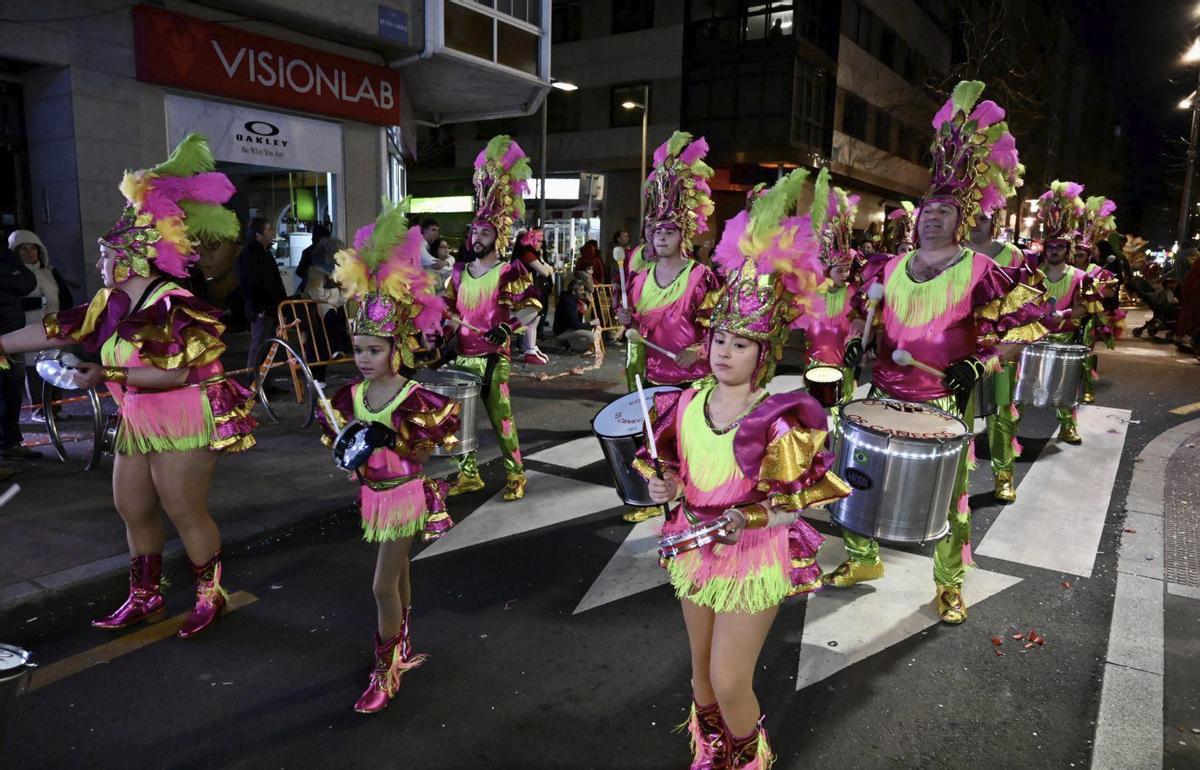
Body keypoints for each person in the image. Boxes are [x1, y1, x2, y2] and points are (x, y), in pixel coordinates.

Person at [0, 134, 255, 637]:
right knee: (131, 506)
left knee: (184, 509)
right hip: (138, 415)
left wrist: (106, 374)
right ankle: (145, 596)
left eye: (105, 254)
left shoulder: (172, 302)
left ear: (132, 257)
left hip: (184, 412)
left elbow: (175, 373)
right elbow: (57, 328)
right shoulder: (108, 302)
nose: (100, 262)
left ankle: (210, 594)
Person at [639, 168, 849, 769]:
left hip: (752, 551)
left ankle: (751, 760)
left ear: (765, 353)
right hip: (691, 540)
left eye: (740, 344)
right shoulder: (681, 401)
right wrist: (667, 484)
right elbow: (674, 469)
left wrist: (750, 513)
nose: (724, 352)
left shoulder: (776, 417)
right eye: (719, 340)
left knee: (732, 680)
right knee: (702, 675)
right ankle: (711, 748)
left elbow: (798, 499)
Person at [829, 81, 1044, 624]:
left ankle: (949, 583)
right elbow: (860, 313)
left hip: (942, 398)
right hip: (883, 392)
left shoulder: (984, 273)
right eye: (927, 209)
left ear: (963, 217)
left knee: (951, 499)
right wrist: (856, 340)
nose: (931, 217)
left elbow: (1023, 329)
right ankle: (862, 558)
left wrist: (982, 362)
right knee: (859, 478)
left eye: (944, 211)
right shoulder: (885, 268)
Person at [316, 205, 459, 714]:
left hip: (404, 497)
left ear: (396, 350)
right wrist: (349, 441)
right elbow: (343, 446)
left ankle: (385, 668)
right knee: (396, 578)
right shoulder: (350, 395)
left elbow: (426, 448)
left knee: (381, 583)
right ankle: (400, 644)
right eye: (358, 349)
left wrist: (392, 442)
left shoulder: (414, 398)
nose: (363, 358)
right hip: (371, 497)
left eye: (374, 350)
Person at [616, 131, 721, 523]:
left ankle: (697, 507)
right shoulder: (640, 279)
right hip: (654, 375)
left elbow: (715, 327)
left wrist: (699, 349)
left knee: (691, 448)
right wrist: (628, 319)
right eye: (657, 231)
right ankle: (652, 500)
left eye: (670, 231)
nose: (661, 237)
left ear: (684, 235)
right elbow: (637, 323)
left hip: (692, 379)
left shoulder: (701, 276)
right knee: (654, 446)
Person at [442, 135, 542, 501]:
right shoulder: (459, 271)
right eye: (475, 231)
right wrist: (445, 327)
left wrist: (508, 327)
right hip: (464, 356)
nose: (478, 236)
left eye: (485, 231)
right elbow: (450, 310)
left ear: (497, 236)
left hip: (494, 358)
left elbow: (531, 307)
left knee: (501, 418)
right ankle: (468, 474)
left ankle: (516, 475)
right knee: (459, 420)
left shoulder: (509, 271)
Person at [965, 211, 1036, 503]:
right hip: (960, 350)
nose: (974, 224)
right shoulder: (954, 252)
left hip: (1000, 350)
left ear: (993, 221)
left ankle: (1003, 477)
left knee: (1001, 418)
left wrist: (1011, 345)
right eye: (969, 217)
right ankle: (956, 482)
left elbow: (1029, 305)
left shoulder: (1015, 255)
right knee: (958, 419)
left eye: (981, 218)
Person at [804, 181, 864, 405]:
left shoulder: (854, 292)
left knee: (842, 414)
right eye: (840, 270)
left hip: (843, 368)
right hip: (813, 365)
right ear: (827, 270)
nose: (846, 274)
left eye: (848, 269)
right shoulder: (813, 293)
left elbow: (861, 324)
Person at [10, 229, 73, 425]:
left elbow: (64, 296)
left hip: (53, 327)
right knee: (35, 371)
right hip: (28, 329)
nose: (29, 253)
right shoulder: (12, 275)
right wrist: (35, 304)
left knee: (56, 365)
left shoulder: (50, 271)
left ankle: (57, 407)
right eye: (23, 249)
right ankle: (39, 410)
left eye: (33, 248)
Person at [237, 216, 287, 382]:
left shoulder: (262, 252)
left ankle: (265, 382)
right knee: (259, 345)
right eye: (269, 230)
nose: (272, 233)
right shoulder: (251, 254)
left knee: (267, 345)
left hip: (268, 306)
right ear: (258, 234)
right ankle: (254, 383)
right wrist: (259, 306)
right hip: (261, 307)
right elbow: (251, 283)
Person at [302, 237, 348, 387]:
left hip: (327, 310)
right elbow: (316, 292)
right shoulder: (315, 269)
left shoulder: (334, 271)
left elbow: (343, 294)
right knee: (317, 343)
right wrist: (337, 295)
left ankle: (320, 376)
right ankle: (316, 377)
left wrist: (336, 297)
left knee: (322, 342)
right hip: (315, 313)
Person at [512, 228, 552, 365]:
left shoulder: (529, 254)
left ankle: (531, 348)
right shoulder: (528, 254)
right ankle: (529, 349)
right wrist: (546, 266)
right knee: (530, 321)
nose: (541, 244)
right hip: (525, 292)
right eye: (539, 241)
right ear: (532, 241)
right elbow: (545, 271)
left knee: (533, 321)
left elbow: (546, 270)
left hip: (530, 290)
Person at [553, 278, 599, 354]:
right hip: (563, 331)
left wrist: (584, 306)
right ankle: (565, 342)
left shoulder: (571, 299)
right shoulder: (569, 303)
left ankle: (563, 343)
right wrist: (591, 323)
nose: (583, 292)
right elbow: (576, 326)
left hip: (565, 329)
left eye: (583, 290)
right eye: (580, 290)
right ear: (574, 291)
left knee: (590, 331)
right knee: (591, 336)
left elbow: (577, 321)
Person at [293, 223, 331, 296]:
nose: (311, 238)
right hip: (329, 292)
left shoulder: (307, 252)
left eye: (313, 236)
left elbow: (299, 272)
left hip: (310, 290)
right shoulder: (332, 252)